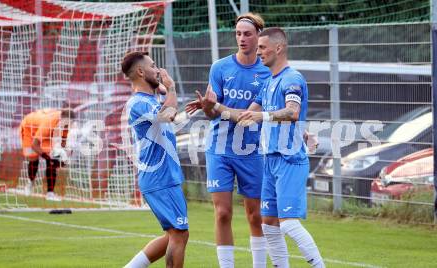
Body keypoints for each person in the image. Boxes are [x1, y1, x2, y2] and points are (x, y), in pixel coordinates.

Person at [195, 27, 325, 267]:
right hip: (270, 161)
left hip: (288, 160)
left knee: (287, 223)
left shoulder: (292, 78)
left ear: (278, 48)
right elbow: (244, 115)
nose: (259, 51)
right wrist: (213, 105)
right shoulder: (269, 83)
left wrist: (263, 117)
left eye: (262, 47)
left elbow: (292, 112)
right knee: (268, 226)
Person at [186, 13, 276, 268]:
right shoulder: (220, 67)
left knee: (256, 214)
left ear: (259, 35)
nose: (242, 38)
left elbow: (248, 117)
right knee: (223, 213)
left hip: (252, 150)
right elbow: (212, 111)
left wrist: (218, 107)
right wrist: (207, 107)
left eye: (247, 34)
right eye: (238, 33)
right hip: (220, 148)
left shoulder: (267, 73)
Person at [122, 51, 189, 268]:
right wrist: (171, 87)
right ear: (141, 72)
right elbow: (167, 115)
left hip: (163, 176)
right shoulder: (138, 102)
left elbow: (170, 118)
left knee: (175, 234)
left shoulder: (150, 100)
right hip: (159, 177)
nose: (158, 70)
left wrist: (188, 110)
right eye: (153, 66)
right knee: (179, 234)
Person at [20, 108, 75, 201]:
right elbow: (34, 145)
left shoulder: (68, 123)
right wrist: (48, 158)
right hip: (28, 129)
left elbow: (66, 142)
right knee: (33, 158)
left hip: (46, 131)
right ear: (61, 119)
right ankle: (30, 183)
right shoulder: (48, 124)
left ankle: (50, 193)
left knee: (53, 159)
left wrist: (65, 155)